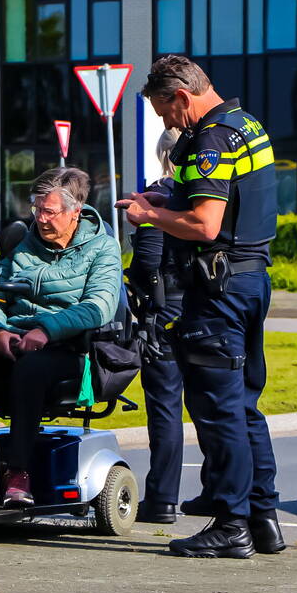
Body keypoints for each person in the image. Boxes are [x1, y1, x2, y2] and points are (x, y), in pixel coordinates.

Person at [117, 55, 283, 558]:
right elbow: (229, 210)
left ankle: (230, 524)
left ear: (182, 97)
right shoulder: (245, 124)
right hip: (252, 281)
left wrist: (149, 215)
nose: (167, 122)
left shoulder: (209, 138)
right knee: (245, 404)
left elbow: (207, 226)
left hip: (219, 292)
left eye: (165, 112)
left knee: (218, 409)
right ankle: (262, 518)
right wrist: (166, 203)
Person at [0, 167, 122, 507]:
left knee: (31, 368)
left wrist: (47, 330)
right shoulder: (22, 245)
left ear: (76, 210)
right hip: (12, 340)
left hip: (70, 349)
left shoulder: (102, 248)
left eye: (49, 211)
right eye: (36, 209)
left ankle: (18, 473)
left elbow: (98, 307)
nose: (40, 219)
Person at [129, 128, 186, 525]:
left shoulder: (156, 195)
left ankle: (163, 498)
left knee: (165, 407)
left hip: (164, 312)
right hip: (202, 306)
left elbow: (148, 262)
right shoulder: (203, 193)